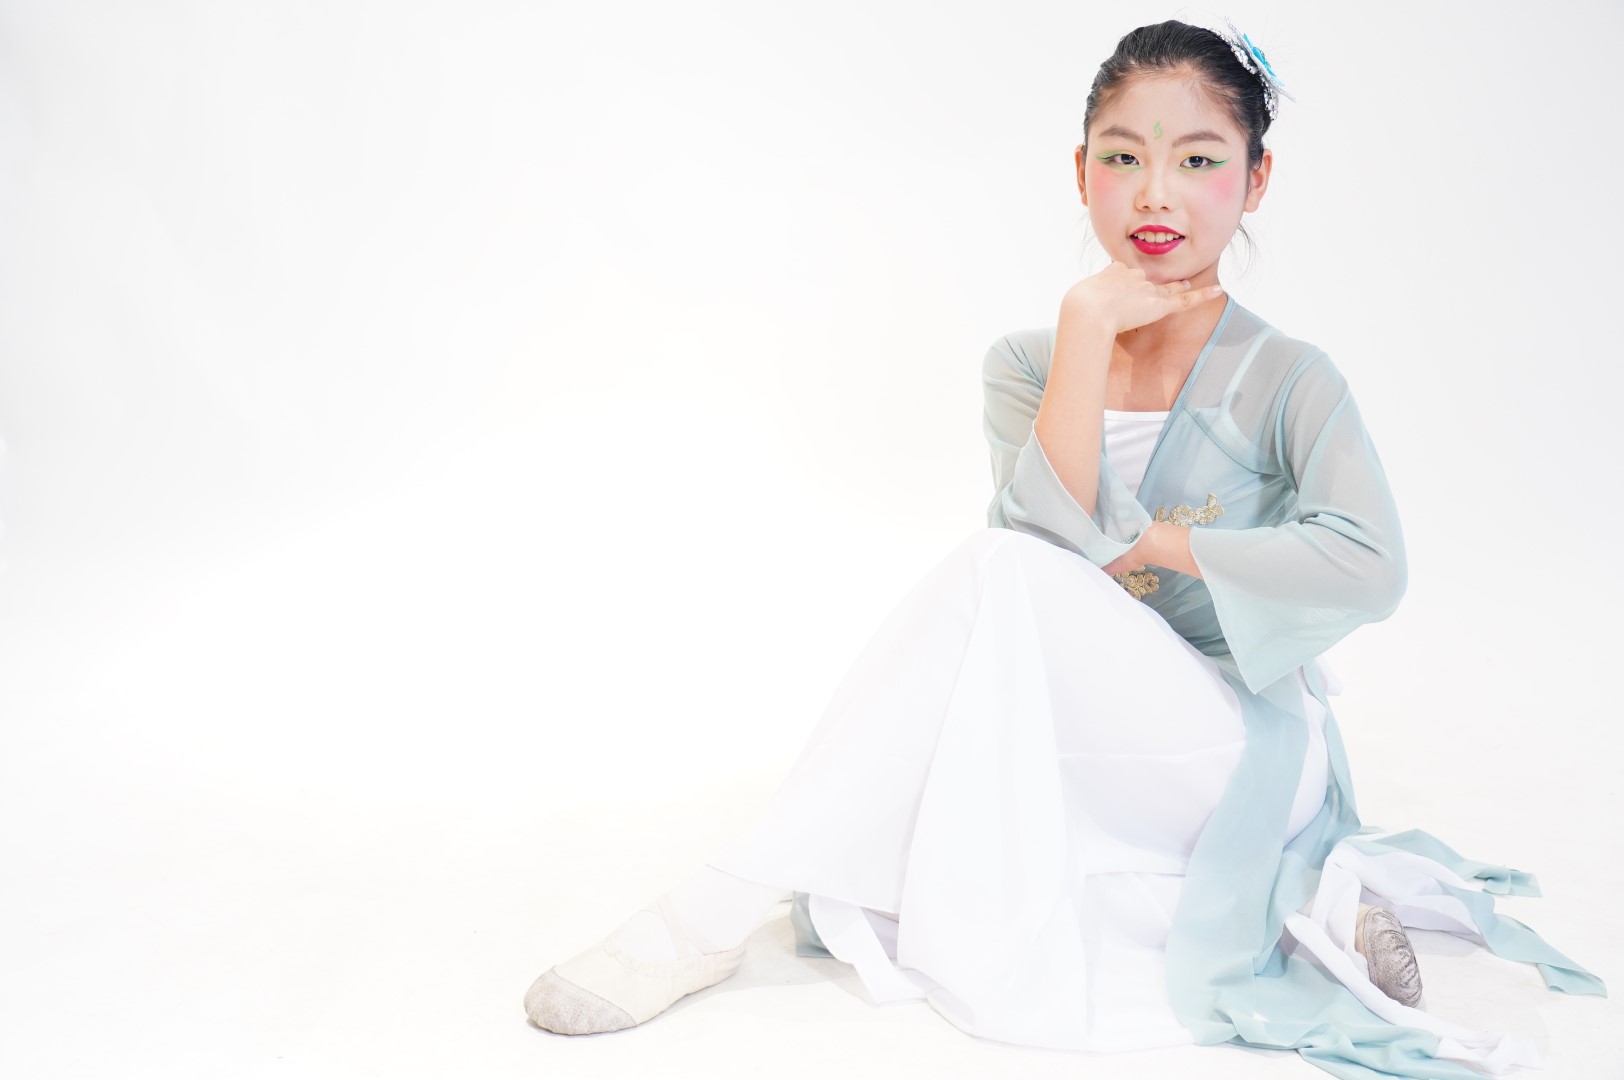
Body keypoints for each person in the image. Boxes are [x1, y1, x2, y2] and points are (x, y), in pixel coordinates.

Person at [522, 17, 1605, 1077]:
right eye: (1122, 158)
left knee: (993, 570)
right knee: (1000, 587)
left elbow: (1371, 565)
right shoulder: (1026, 362)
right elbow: (1043, 558)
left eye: (1198, 160)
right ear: (1080, 172)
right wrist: (1087, 327)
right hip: (1092, 731)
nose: (1155, 193)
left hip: (1240, 741)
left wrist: (1158, 542)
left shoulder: (1289, 378)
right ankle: (1306, 905)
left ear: (1256, 180)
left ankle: (711, 908)